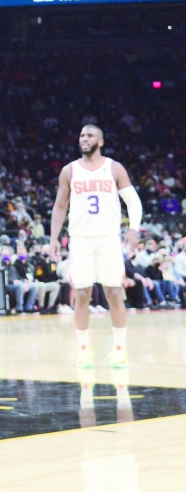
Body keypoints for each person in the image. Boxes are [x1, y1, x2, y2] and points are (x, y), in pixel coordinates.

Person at [49, 125, 142, 369]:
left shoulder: (114, 167)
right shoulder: (69, 171)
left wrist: (133, 229)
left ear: (100, 141)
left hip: (108, 237)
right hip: (80, 239)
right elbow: (60, 207)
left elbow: (133, 202)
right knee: (81, 294)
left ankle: (119, 350)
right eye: (81, 135)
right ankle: (84, 350)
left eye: (89, 135)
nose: (84, 139)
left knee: (113, 293)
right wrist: (54, 238)